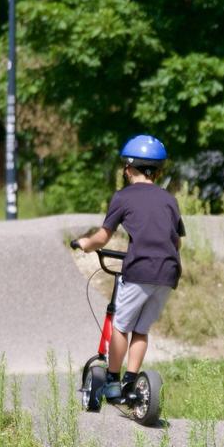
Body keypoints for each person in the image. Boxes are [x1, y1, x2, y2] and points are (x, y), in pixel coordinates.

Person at [75, 134, 185, 401]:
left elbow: (102, 237)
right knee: (142, 329)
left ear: (129, 167)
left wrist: (83, 243)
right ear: (157, 171)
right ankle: (131, 382)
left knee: (121, 326)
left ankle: (112, 381)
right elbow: (177, 242)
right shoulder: (169, 200)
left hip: (140, 270)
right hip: (169, 272)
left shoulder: (123, 197)